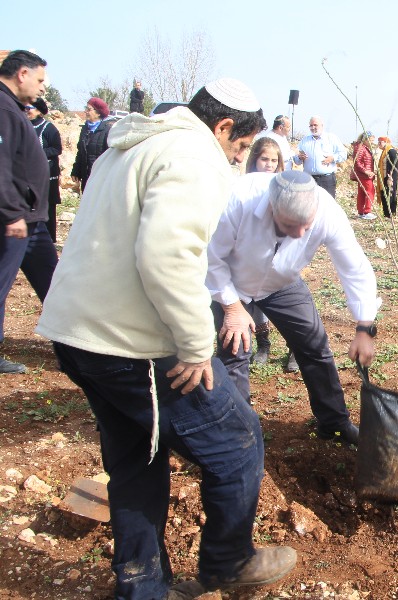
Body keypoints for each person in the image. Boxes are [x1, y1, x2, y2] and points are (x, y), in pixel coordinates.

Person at [36, 78, 297, 599]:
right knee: (237, 442)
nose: (237, 158)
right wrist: (198, 346)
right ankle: (228, 562)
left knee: (137, 458)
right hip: (129, 343)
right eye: (240, 147)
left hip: (78, 334)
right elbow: (167, 257)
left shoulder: (133, 143)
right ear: (223, 127)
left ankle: (143, 588)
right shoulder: (193, 154)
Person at [206, 170, 379, 446]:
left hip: (281, 284)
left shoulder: (327, 211)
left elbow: (354, 268)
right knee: (235, 352)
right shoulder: (240, 199)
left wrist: (364, 327)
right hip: (233, 284)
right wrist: (231, 307)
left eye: (306, 227)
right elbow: (211, 257)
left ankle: (334, 423)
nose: (299, 235)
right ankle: (239, 438)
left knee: (314, 344)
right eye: (289, 225)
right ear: (272, 208)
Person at [0, 50, 58, 375]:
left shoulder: (13, 107)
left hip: (31, 218)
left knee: (54, 281)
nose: (42, 88)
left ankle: (74, 347)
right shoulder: (2, 107)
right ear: (22, 73)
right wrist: (11, 213)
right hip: (13, 220)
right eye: (39, 80)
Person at [242, 138, 299, 372]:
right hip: (252, 254)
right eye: (264, 159)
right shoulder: (244, 185)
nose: (269, 164)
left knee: (286, 302)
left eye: (274, 161)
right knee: (255, 303)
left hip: (279, 255)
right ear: (254, 159)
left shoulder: (284, 186)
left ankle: (294, 347)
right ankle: (263, 344)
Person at [26, 97, 62, 242]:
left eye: (30, 109)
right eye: (26, 109)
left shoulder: (49, 128)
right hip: (28, 175)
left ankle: (49, 240)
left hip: (47, 175)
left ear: (39, 111)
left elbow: (57, 149)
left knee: (47, 208)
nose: (27, 111)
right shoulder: (26, 126)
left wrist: (38, 152)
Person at [297, 115, 346, 198]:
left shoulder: (331, 138)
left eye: (315, 125)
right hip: (309, 180)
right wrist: (299, 157)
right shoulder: (304, 141)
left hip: (326, 180)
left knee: (327, 206)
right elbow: (296, 160)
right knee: (309, 206)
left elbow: (343, 154)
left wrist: (333, 158)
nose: (313, 127)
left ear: (322, 126)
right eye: (311, 125)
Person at [71, 96, 114, 192]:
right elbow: (80, 152)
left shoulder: (107, 131)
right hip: (86, 176)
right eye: (85, 108)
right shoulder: (85, 129)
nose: (86, 111)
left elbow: (110, 156)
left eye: (89, 109)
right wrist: (76, 170)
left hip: (101, 177)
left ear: (98, 113)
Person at [352, 131, 377, 219]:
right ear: (365, 139)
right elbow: (357, 162)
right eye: (371, 140)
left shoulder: (364, 147)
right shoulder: (360, 148)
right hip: (364, 175)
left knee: (362, 193)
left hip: (364, 175)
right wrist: (366, 171)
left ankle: (361, 212)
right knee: (370, 191)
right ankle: (367, 211)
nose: (372, 142)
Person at [377, 136, 398, 218]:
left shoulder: (391, 152)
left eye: (381, 142)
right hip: (384, 177)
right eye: (378, 142)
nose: (379, 143)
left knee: (390, 194)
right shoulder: (384, 152)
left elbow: (394, 166)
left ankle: (391, 213)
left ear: (387, 143)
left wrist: (390, 177)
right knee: (384, 194)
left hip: (390, 177)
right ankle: (386, 213)